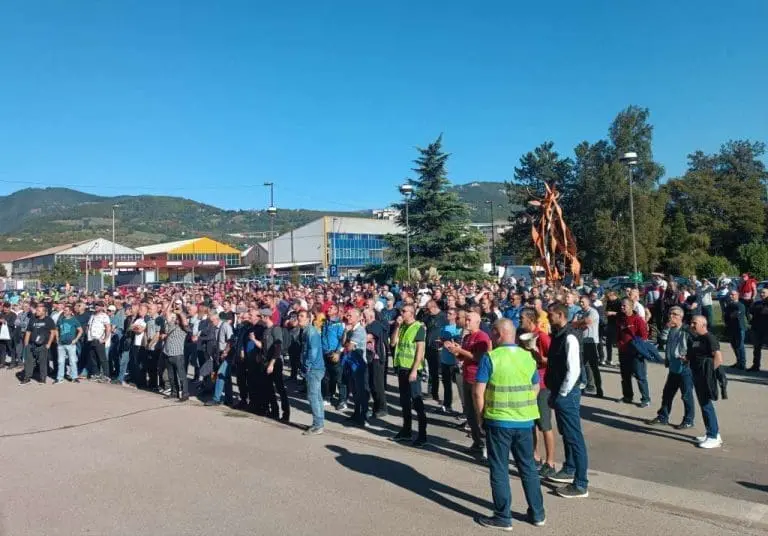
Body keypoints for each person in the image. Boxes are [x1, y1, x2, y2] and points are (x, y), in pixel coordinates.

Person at [473, 319, 546, 530]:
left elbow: (478, 392)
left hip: (499, 420)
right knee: (528, 467)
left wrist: (480, 419)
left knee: (499, 468)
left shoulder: (491, 357)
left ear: (497, 334)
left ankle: (503, 516)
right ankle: (538, 514)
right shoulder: (527, 357)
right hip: (524, 420)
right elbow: (535, 387)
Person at [545, 302, 589, 498]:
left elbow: (574, 370)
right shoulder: (558, 334)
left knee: (574, 437)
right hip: (559, 391)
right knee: (566, 433)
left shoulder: (569, 336)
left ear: (561, 315)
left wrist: (562, 394)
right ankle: (570, 468)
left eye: (551, 315)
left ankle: (580, 483)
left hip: (567, 393)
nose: (548, 317)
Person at [446, 311, 491, 459]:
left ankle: (485, 445)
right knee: (470, 413)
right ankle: (476, 442)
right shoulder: (467, 337)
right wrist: (454, 350)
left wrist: (461, 350)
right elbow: (462, 357)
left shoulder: (482, 337)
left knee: (480, 414)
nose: (466, 322)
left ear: (477, 322)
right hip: (466, 377)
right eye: (466, 319)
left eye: (469, 320)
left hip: (477, 380)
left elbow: (479, 357)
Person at [519, 309, 556, 479]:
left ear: (530, 320)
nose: (520, 321)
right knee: (531, 423)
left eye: (522, 319)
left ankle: (550, 462)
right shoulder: (522, 336)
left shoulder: (541, 336)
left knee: (544, 424)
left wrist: (536, 353)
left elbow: (553, 360)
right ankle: (535, 456)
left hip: (542, 384)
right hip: (528, 383)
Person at [645, 306, 695, 430]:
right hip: (673, 367)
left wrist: (689, 357)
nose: (671, 316)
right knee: (667, 394)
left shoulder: (687, 331)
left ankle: (688, 420)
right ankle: (663, 417)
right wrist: (667, 328)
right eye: (670, 314)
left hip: (685, 368)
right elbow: (662, 342)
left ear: (681, 317)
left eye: (675, 314)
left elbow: (696, 347)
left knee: (686, 395)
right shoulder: (671, 329)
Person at [390, 304, 428, 447]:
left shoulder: (418, 327)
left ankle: (422, 435)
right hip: (402, 367)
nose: (401, 313)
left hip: (412, 370)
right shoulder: (403, 327)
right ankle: (406, 431)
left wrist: (414, 370)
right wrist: (397, 327)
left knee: (417, 402)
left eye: (404, 311)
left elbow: (420, 351)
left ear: (411, 313)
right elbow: (393, 343)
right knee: (405, 402)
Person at [687, 316, 724, 449]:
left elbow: (718, 359)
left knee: (706, 405)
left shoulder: (710, 338)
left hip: (704, 377)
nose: (692, 324)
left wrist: (709, 374)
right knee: (704, 405)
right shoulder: (697, 339)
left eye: (694, 323)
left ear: (703, 324)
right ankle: (713, 433)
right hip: (696, 375)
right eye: (691, 322)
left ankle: (713, 436)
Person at [616, 298, 650, 407]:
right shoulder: (620, 319)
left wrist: (636, 347)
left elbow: (644, 336)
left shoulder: (638, 319)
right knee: (625, 377)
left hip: (636, 353)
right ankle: (627, 397)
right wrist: (619, 344)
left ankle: (645, 399)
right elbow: (618, 335)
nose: (622, 307)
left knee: (640, 376)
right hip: (623, 352)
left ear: (631, 307)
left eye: (624, 306)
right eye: (621, 305)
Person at [260, 308, 290, 421]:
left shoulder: (275, 329)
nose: (260, 318)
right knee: (268, 388)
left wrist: (272, 363)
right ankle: (274, 411)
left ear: (265, 317)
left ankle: (286, 413)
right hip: (266, 361)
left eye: (261, 316)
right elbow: (264, 346)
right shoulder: (265, 330)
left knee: (280, 388)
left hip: (275, 362)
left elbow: (278, 347)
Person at [299, 309, 325, 436]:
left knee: (313, 397)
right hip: (315, 368)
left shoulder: (311, 332)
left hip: (314, 369)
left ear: (309, 319)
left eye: (302, 316)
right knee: (317, 397)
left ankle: (318, 425)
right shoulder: (306, 331)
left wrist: (307, 367)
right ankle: (319, 423)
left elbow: (313, 352)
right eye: (299, 316)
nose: (299, 318)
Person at [571, 295, 603, 398]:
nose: (581, 303)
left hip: (591, 342)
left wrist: (578, 323)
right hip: (581, 342)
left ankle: (599, 389)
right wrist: (580, 323)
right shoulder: (579, 312)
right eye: (580, 302)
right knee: (581, 366)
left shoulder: (592, 312)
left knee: (594, 367)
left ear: (588, 302)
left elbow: (587, 322)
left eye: (583, 302)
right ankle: (584, 387)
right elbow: (573, 324)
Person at [20, 303, 57, 385]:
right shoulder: (32, 319)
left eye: (38, 311)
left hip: (43, 345)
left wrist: (49, 344)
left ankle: (42, 378)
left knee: (42, 362)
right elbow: (28, 332)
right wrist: (26, 344)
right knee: (28, 362)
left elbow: (53, 332)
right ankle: (27, 378)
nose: (36, 312)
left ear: (44, 312)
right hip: (31, 344)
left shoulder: (49, 320)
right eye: (36, 310)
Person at [204, 313, 235, 407]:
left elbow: (231, 340)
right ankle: (229, 400)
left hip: (227, 354)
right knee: (226, 377)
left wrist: (226, 352)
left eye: (212, 321)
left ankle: (216, 399)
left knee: (220, 374)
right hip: (219, 354)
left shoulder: (225, 326)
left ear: (217, 319)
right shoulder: (215, 328)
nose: (211, 323)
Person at [438, 307, 463, 415]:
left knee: (459, 387)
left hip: (455, 361)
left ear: (455, 316)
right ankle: (447, 404)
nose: (447, 314)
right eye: (447, 312)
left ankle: (464, 410)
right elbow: (442, 342)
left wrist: (451, 344)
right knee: (446, 384)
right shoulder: (443, 327)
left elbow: (459, 344)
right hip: (444, 359)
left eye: (450, 313)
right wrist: (441, 343)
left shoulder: (459, 329)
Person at [162, 308, 189, 402]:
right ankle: (174, 392)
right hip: (168, 353)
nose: (175, 319)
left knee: (181, 376)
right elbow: (167, 313)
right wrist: (172, 300)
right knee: (171, 376)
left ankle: (185, 394)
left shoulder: (184, 328)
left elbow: (185, 323)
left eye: (177, 318)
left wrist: (180, 313)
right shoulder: (171, 325)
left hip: (178, 354)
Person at [55, 304, 83, 384]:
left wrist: (76, 339)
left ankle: (74, 377)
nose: (64, 311)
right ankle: (59, 378)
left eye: (66, 310)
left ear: (70, 312)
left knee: (72, 361)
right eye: (64, 310)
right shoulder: (60, 319)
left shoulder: (74, 320)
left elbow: (80, 330)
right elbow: (56, 329)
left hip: (71, 344)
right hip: (61, 343)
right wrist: (57, 338)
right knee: (60, 361)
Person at [85, 302, 112, 382]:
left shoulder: (104, 316)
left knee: (102, 358)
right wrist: (87, 335)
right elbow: (88, 326)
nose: (96, 307)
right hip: (91, 339)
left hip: (99, 339)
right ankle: (96, 374)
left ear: (102, 307)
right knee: (93, 358)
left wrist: (105, 339)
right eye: (96, 305)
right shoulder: (92, 315)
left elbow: (108, 328)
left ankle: (106, 375)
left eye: (98, 306)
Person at [724, 290, 747, 370]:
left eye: (733, 295)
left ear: (737, 295)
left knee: (740, 346)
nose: (731, 296)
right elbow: (726, 316)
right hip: (731, 328)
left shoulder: (740, 305)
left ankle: (742, 363)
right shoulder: (729, 306)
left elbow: (736, 314)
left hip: (739, 328)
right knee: (734, 346)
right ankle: (738, 361)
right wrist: (729, 316)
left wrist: (731, 315)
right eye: (730, 295)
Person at [749, 287, 768, 372]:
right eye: (761, 292)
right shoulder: (757, 303)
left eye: (764, 293)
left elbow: (763, 312)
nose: (762, 294)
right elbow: (751, 311)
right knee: (756, 349)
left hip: (766, 329)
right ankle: (756, 365)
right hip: (756, 328)